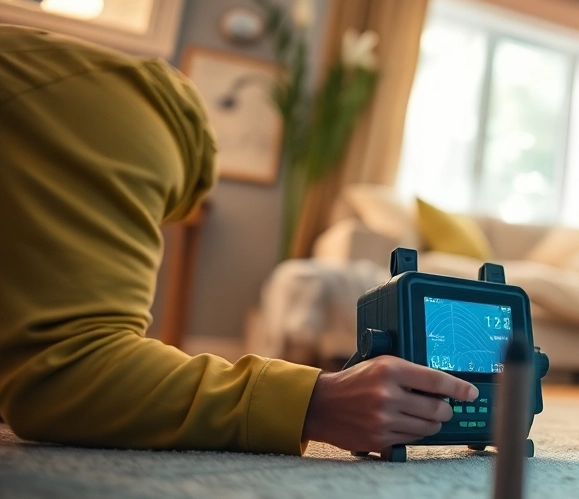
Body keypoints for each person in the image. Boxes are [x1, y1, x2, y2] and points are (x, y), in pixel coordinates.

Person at [0, 26, 476, 455]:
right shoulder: (100, 108)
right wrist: (317, 403)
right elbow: (68, 371)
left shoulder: (84, 105)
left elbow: (53, 363)